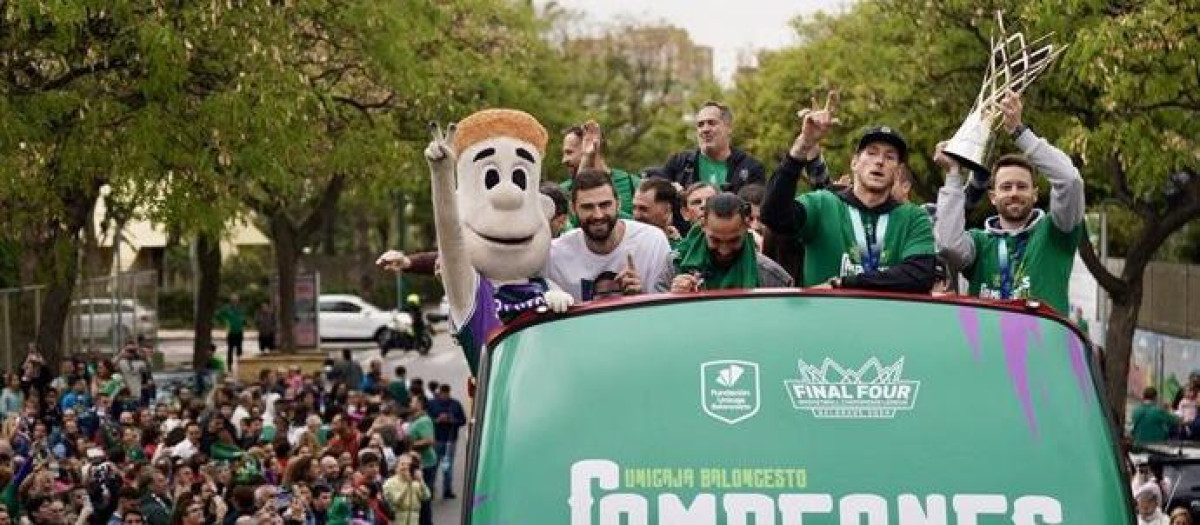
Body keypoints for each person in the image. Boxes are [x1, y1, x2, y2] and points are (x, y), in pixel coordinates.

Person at [760, 94, 936, 292]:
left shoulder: (913, 218)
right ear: (854, 163)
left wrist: (844, 283)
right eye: (871, 152)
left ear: (897, 171)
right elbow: (772, 215)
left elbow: (920, 274)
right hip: (827, 320)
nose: (879, 161)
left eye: (890, 157)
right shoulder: (823, 204)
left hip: (888, 321)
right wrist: (803, 144)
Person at [933, 92, 1085, 313]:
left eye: (1022, 186)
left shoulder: (1056, 233)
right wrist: (954, 174)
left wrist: (1019, 132)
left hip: (1042, 346)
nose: (1014, 193)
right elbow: (947, 243)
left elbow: (1069, 180)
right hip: (985, 346)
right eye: (1006, 187)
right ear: (993, 197)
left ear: (1035, 193)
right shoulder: (979, 243)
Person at [544, 169, 675, 302]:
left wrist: (640, 298)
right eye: (588, 207)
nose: (598, 215)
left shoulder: (652, 241)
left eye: (605, 205)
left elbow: (669, 309)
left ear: (618, 204)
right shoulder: (555, 255)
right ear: (573, 209)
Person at [669, 193, 793, 292]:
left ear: (747, 226)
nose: (724, 250)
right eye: (715, 240)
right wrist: (674, 298)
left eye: (733, 240)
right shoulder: (673, 267)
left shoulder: (772, 279)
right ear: (703, 225)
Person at [656, 101, 765, 194]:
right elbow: (653, 189)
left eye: (712, 123)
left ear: (729, 128)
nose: (705, 129)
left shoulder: (751, 168)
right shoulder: (679, 163)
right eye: (700, 125)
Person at [560, 121, 641, 222]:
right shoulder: (562, 192)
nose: (564, 160)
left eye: (569, 152)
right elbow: (574, 224)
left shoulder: (633, 184)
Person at [426, 384, 466, 499]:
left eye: (446, 394)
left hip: (450, 440)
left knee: (448, 467)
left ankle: (447, 490)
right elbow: (427, 419)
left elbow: (462, 420)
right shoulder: (432, 404)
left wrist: (452, 420)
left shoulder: (456, 404)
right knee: (434, 466)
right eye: (443, 393)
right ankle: (430, 490)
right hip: (436, 440)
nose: (444, 396)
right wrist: (437, 420)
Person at [381, 452, 430, 525]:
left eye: (408, 465)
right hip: (397, 521)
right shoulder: (389, 483)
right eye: (402, 464)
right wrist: (408, 485)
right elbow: (396, 502)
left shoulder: (416, 482)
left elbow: (426, 496)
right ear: (396, 467)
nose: (406, 467)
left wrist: (421, 481)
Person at [631, 178, 682, 247]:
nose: (636, 215)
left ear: (666, 211)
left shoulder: (681, 252)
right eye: (634, 208)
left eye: (643, 209)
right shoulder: (625, 244)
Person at [215, 295, 246, 368]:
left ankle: (240, 365)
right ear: (230, 301)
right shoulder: (227, 308)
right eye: (233, 300)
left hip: (239, 331)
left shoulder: (240, 308)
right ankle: (229, 365)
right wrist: (224, 322)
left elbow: (243, 317)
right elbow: (218, 315)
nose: (235, 302)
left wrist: (243, 322)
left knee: (239, 349)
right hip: (231, 332)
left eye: (236, 300)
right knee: (230, 349)